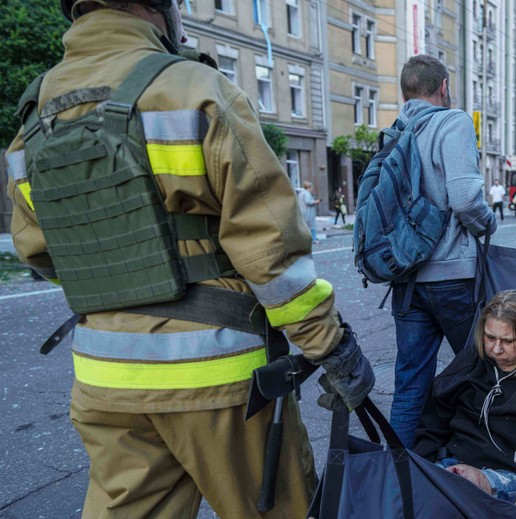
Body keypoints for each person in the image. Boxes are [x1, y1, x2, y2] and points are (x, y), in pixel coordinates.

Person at [4, 1, 374, 517]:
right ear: (158, 7)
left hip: (105, 377)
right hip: (220, 379)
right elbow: (270, 248)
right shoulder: (195, 89)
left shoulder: (34, 120)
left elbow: (39, 252)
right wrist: (330, 346)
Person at [388, 54, 496, 447]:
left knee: (409, 385)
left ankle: (396, 480)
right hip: (452, 277)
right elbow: (466, 199)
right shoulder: (454, 121)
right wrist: (489, 225)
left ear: (406, 92)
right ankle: (479, 471)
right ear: (444, 88)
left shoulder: (395, 132)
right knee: (483, 374)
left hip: (406, 277)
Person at [414, 290, 516, 514]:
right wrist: (417, 474)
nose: (496, 349)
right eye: (490, 338)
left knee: (463, 485)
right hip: (453, 464)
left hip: (508, 475)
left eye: (508, 341)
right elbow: (432, 425)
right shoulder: (470, 364)